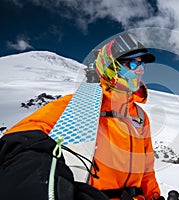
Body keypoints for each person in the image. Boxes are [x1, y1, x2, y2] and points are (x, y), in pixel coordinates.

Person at [1, 33, 162, 200]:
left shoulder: (140, 117)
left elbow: (147, 170)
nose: (141, 70)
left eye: (142, 64)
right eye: (133, 63)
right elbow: (18, 142)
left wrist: (155, 196)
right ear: (111, 66)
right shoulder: (78, 104)